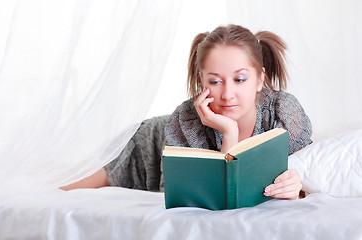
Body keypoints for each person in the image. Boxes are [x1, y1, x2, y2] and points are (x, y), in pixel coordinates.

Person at [61, 24, 312, 200]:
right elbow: (216, 196)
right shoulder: (187, 119)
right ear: (201, 81)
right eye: (215, 81)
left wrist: (294, 187)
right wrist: (229, 131)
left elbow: (303, 180)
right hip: (148, 144)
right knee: (63, 186)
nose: (227, 94)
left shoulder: (283, 113)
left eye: (240, 79)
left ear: (259, 80)